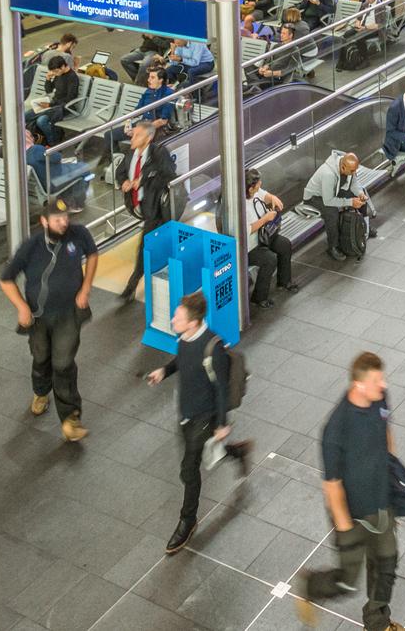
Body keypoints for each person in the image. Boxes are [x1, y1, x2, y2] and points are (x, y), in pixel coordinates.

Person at [296, 353, 404, 631]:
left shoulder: (380, 400)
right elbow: (332, 486)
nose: (384, 385)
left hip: (381, 502)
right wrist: (346, 533)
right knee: (347, 581)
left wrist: (392, 478)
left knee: (386, 566)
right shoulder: (335, 430)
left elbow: (386, 432)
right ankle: (311, 585)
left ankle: (377, 623)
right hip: (352, 516)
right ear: (358, 385)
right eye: (377, 380)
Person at [146, 291, 251, 554]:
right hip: (186, 411)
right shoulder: (184, 339)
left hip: (205, 416)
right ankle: (237, 451)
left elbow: (221, 390)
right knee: (200, 456)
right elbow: (181, 361)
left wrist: (222, 423)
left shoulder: (212, 347)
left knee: (188, 468)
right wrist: (164, 371)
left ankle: (187, 521)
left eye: (178, 317)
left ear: (193, 322)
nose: (172, 320)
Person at [0, 201, 97, 443]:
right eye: (57, 219)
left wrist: (85, 287)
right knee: (41, 357)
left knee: (63, 364)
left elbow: (93, 254)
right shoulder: (31, 247)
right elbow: (6, 279)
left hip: (68, 315)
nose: (63, 223)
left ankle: (71, 418)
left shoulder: (79, 234)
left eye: (65, 217)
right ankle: (41, 391)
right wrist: (22, 307)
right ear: (44, 222)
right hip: (38, 317)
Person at [117, 121, 177, 298]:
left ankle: (132, 285)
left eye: (137, 135)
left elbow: (169, 175)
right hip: (140, 206)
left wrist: (143, 180)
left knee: (145, 247)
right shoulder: (130, 154)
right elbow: (120, 173)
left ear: (149, 138)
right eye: (133, 134)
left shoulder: (158, 153)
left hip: (156, 209)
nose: (133, 138)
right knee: (159, 245)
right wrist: (124, 182)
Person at [244, 168, 298, 307]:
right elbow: (246, 230)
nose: (260, 184)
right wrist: (265, 219)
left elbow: (265, 195)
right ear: (250, 188)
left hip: (264, 237)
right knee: (269, 259)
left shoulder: (255, 193)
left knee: (284, 245)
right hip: (251, 247)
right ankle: (259, 297)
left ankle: (284, 281)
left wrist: (273, 198)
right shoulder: (240, 207)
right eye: (258, 183)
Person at [310, 150, 371, 262]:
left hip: (333, 192)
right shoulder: (329, 174)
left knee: (361, 196)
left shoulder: (348, 169)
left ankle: (364, 226)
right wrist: (350, 202)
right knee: (331, 212)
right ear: (343, 168)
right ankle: (333, 246)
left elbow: (353, 183)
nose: (354, 173)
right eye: (352, 171)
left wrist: (360, 194)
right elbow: (328, 201)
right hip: (314, 198)